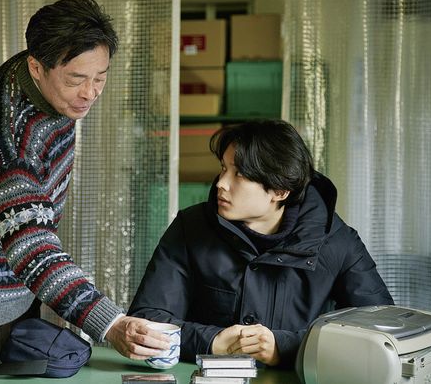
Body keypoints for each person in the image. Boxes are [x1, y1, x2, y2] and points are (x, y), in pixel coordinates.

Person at [0, 0, 169, 383]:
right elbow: (32, 248)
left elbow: (31, 246)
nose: (90, 93)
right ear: (36, 67)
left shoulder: (44, 73)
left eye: (100, 78)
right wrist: (112, 325)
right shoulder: (6, 142)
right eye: (76, 80)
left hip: (20, 274)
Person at [128, 119, 394, 368]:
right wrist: (211, 341)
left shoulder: (337, 242)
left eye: (239, 174)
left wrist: (287, 347)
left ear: (280, 191)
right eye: (223, 168)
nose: (221, 183)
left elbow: (381, 332)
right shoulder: (191, 226)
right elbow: (148, 321)